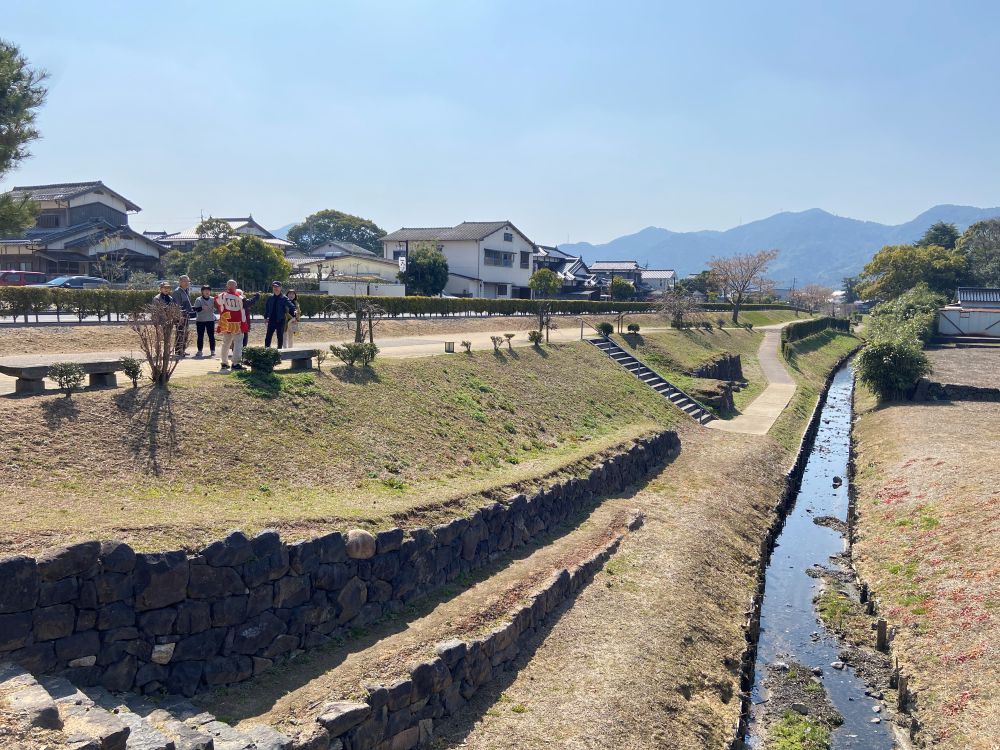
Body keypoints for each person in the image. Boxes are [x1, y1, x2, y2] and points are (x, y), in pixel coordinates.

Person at [216, 279, 248, 370]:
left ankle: (224, 362)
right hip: (236, 322)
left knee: (226, 343)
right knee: (238, 342)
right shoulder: (239, 296)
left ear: (227, 286)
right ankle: (235, 363)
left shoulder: (222, 295)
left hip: (226, 321)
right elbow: (246, 304)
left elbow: (218, 303)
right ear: (236, 287)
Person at [264, 281, 294, 349]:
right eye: (274, 287)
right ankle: (266, 351)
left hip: (280, 321)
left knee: (280, 337)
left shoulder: (284, 298)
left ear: (280, 288)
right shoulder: (270, 298)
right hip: (271, 320)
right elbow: (267, 308)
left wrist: (294, 313)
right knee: (268, 337)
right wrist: (265, 317)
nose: (275, 288)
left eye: (277, 287)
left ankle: (279, 352)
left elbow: (291, 306)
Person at [172, 275, 194, 356]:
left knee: (185, 333)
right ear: (180, 282)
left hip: (186, 315)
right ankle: (178, 351)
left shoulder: (187, 290)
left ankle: (183, 350)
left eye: (188, 281)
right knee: (180, 333)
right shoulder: (177, 291)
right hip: (180, 316)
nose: (187, 283)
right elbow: (177, 306)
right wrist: (180, 316)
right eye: (185, 281)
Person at [192, 285, 217, 357]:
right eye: (205, 290)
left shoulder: (213, 299)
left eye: (208, 290)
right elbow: (195, 309)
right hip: (200, 320)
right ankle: (199, 351)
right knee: (200, 336)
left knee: (211, 336)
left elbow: (217, 307)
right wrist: (201, 307)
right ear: (202, 292)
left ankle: (212, 351)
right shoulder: (198, 299)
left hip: (210, 320)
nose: (207, 292)